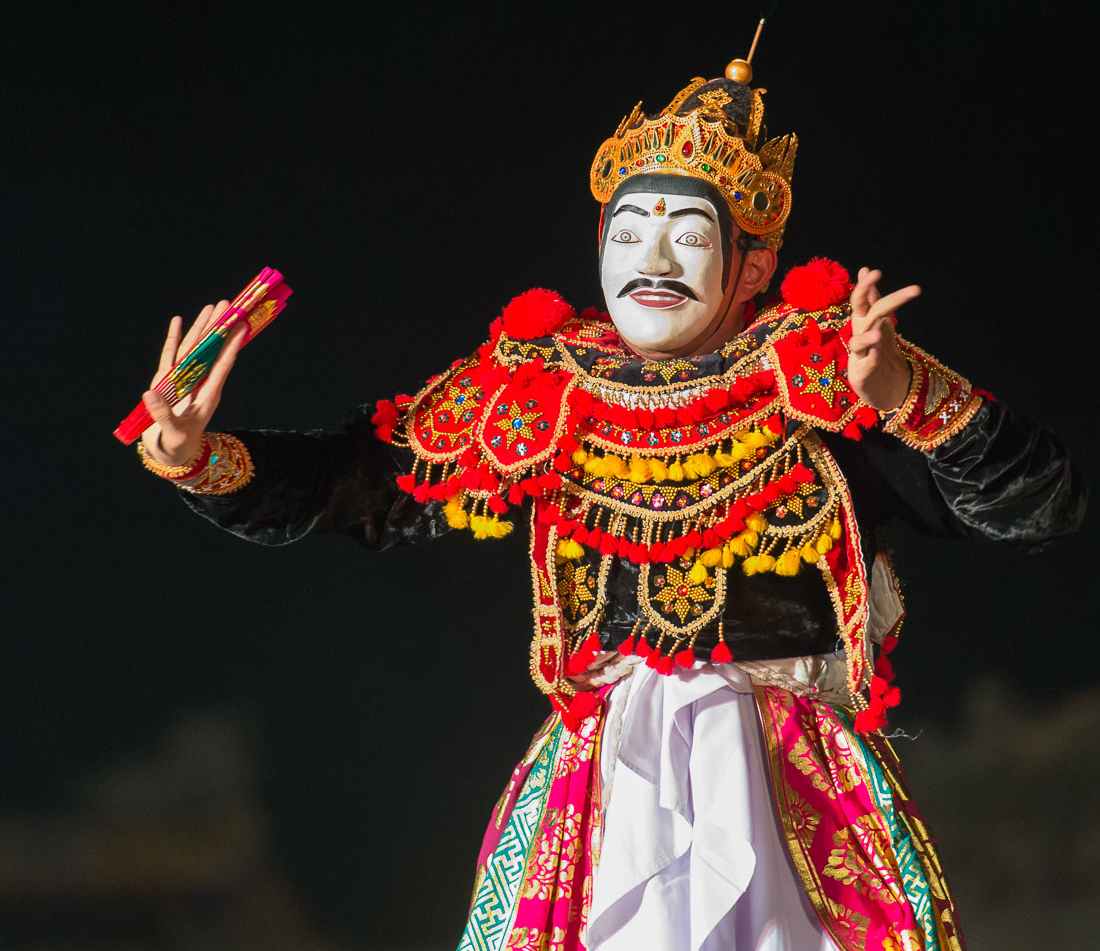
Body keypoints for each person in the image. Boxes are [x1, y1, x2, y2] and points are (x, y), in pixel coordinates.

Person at [134, 57, 1084, 951]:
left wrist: (904, 396)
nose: (653, 258)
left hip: (796, 781)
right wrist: (198, 454)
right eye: (629, 232)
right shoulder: (540, 388)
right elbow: (361, 485)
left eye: (688, 233)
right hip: (606, 784)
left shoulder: (822, 376)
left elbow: (1043, 506)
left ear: (753, 267)